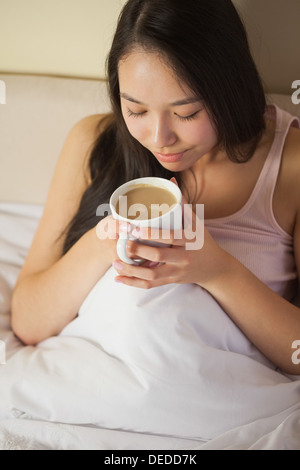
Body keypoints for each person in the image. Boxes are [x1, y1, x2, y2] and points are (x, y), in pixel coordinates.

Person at [11, 0, 300, 375]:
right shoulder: (93, 143)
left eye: (186, 113)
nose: (160, 139)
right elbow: (29, 322)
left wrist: (218, 272)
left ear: (230, 88)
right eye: (137, 110)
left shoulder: (289, 165)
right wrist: (104, 242)